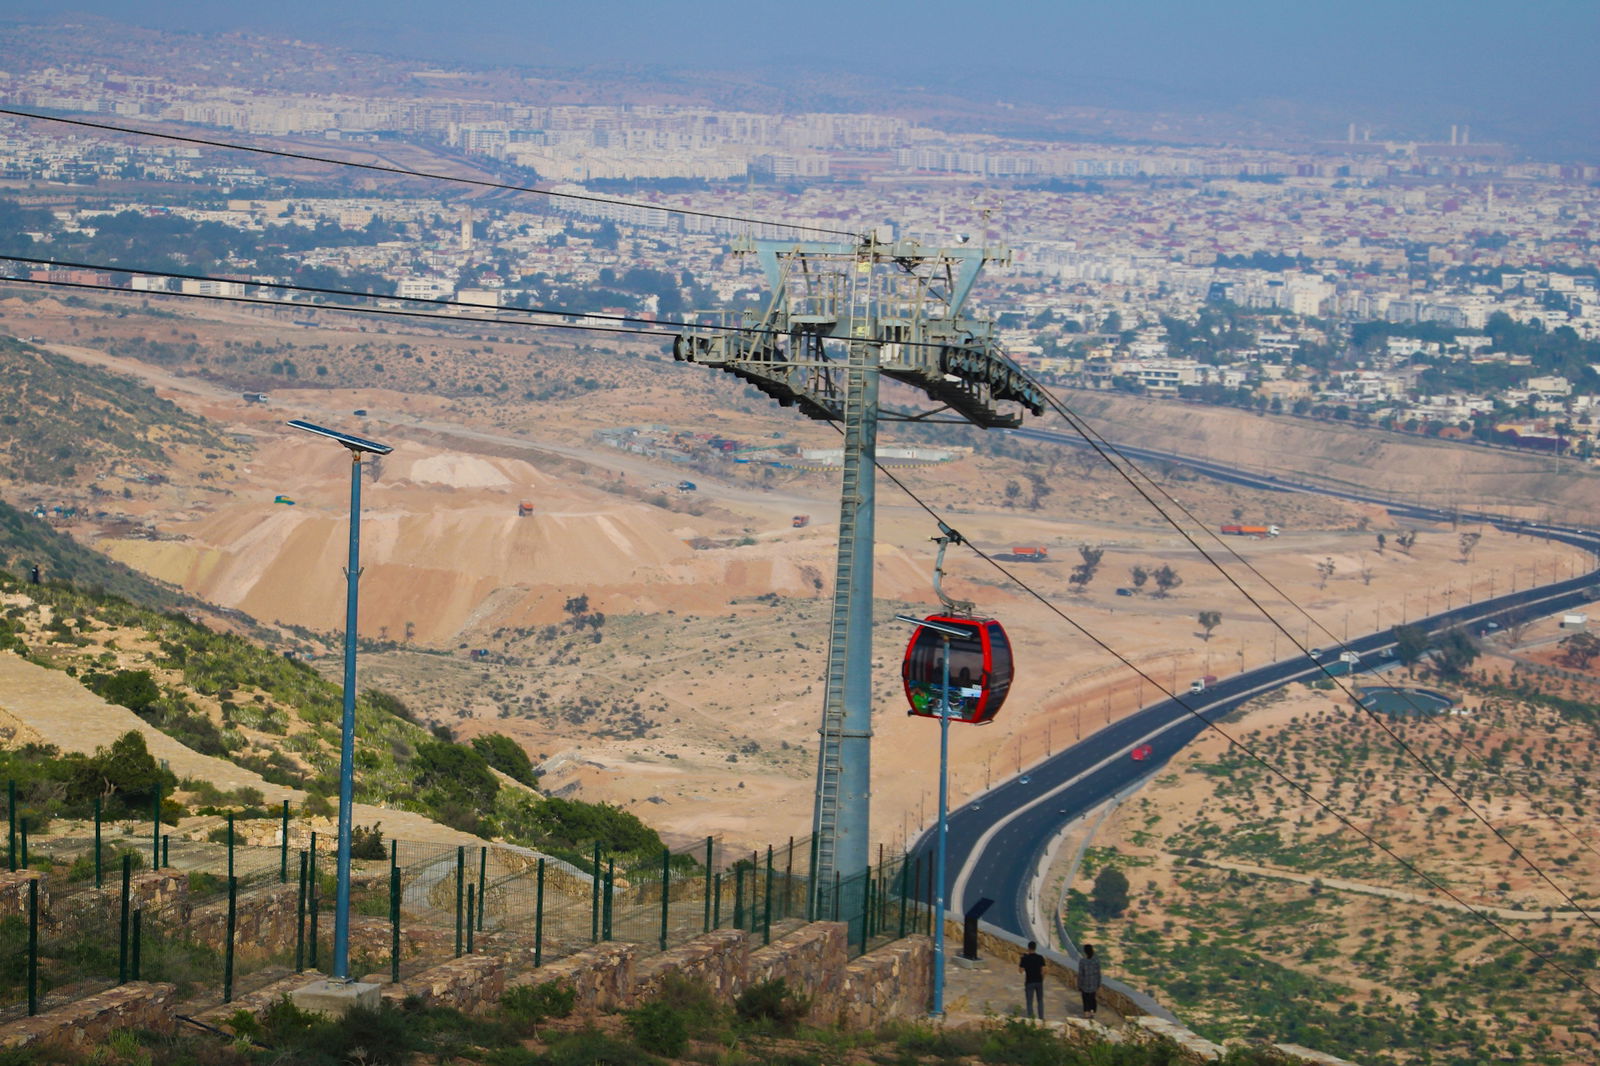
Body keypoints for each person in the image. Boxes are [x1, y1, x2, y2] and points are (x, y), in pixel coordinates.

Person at [1019, 940, 1046, 1020]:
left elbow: (1020, 971)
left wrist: (1022, 960)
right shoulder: (1040, 958)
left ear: (1028, 948)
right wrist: (1042, 979)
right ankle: (1041, 1018)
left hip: (1029, 982)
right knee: (1040, 1000)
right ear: (1035, 948)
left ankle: (1031, 1019)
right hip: (1039, 981)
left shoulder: (1025, 958)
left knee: (1029, 1002)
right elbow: (1044, 970)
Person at [1078, 944, 1101, 1019]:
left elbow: (1081, 974)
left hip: (1085, 984)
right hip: (1093, 984)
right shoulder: (1096, 961)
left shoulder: (1082, 961)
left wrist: (1079, 984)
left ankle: (1086, 1013)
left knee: (1085, 999)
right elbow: (1098, 973)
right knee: (1092, 998)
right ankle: (1093, 1011)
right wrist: (1098, 983)